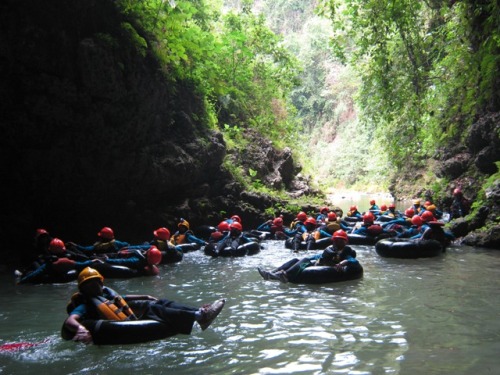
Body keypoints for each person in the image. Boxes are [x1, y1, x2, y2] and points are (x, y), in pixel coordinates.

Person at [63, 267, 226, 345]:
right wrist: (81, 329)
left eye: (95, 283)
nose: (93, 287)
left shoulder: (105, 295)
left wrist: (146, 296)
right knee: (154, 309)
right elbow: (72, 319)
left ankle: (200, 312)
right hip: (118, 329)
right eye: (88, 285)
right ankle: (199, 317)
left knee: (159, 302)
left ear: (101, 283)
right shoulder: (86, 304)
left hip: (128, 321)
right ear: (82, 289)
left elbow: (123, 298)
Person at [257, 230, 360, 283]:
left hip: (329, 268)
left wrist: (343, 262)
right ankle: (272, 273)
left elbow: (354, 261)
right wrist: (307, 258)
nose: (337, 242)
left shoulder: (346, 251)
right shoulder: (331, 249)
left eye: (340, 240)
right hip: (319, 264)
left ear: (345, 241)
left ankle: (285, 275)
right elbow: (318, 256)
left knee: (305, 260)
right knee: (296, 259)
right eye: (336, 240)